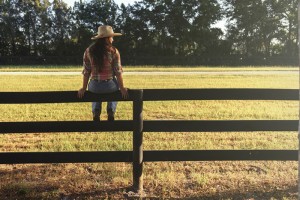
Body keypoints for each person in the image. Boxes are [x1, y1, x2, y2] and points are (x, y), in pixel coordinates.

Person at [78, 25, 128, 121]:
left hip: (94, 87)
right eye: (112, 37)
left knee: (94, 86)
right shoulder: (114, 51)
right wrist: (122, 88)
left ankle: (96, 110)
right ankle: (111, 110)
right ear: (107, 38)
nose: (113, 39)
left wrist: (84, 88)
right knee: (115, 84)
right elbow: (118, 72)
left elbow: (86, 72)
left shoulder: (88, 51)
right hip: (110, 86)